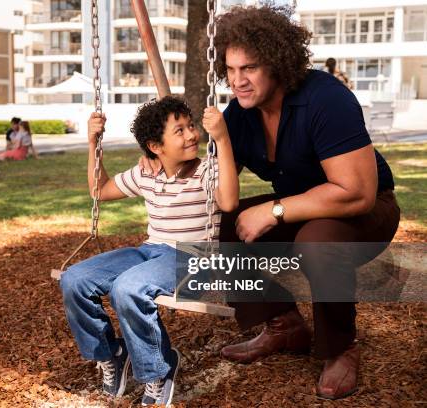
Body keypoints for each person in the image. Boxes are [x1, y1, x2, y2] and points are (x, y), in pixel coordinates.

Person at [140, 6, 399, 401]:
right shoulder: (241, 114)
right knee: (228, 218)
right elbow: (207, 174)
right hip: (305, 203)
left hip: (365, 209)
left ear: (278, 62)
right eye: (230, 69)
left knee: (318, 241)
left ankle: (340, 346)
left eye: (249, 69)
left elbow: (357, 192)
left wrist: (274, 211)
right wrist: (160, 158)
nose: (237, 81)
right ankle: (283, 324)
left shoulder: (326, 99)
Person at [60, 96, 239, 406]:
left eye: (190, 126)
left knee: (127, 288)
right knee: (74, 279)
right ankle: (112, 354)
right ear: (156, 146)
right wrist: (92, 143)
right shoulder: (146, 173)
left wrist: (221, 140)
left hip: (191, 256)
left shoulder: (206, 170)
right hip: (151, 250)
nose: (191, 135)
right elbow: (98, 190)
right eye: (179, 131)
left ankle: (158, 368)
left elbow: (229, 203)